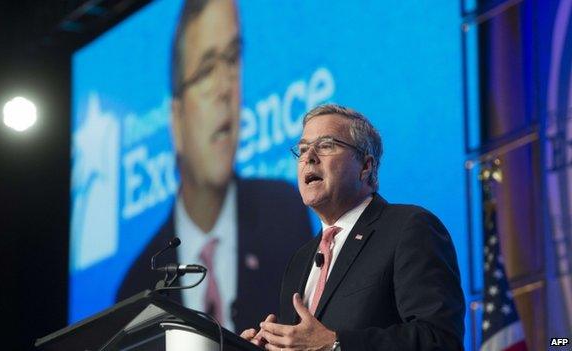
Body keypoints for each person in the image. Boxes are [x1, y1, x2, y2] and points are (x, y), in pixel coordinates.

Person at [116, 0, 311, 333]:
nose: (226, 87)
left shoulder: (284, 213)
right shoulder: (136, 285)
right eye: (206, 70)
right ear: (176, 119)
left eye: (232, 60)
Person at [241, 104, 465, 350]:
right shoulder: (299, 260)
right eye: (303, 149)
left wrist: (335, 344)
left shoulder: (409, 228)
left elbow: (439, 340)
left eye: (326, 145)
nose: (309, 157)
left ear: (365, 166)